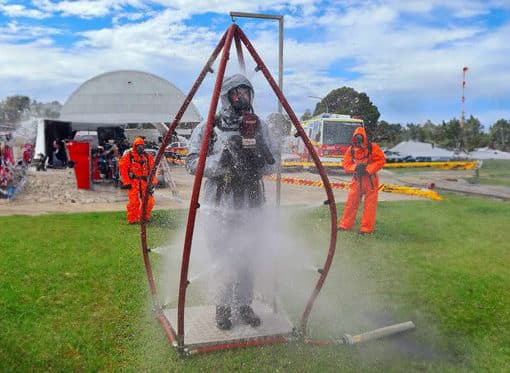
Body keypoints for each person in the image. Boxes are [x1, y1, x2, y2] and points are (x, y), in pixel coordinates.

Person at [186, 74, 276, 330]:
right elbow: (191, 163)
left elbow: (275, 162)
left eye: (246, 92)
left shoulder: (261, 127)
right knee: (222, 259)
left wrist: (257, 154)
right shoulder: (207, 129)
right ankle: (223, 307)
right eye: (236, 93)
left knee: (248, 257)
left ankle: (244, 305)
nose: (242, 98)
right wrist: (219, 162)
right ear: (225, 96)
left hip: (252, 205)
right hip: (218, 207)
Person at [338, 126, 385, 234]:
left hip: (370, 180)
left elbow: (381, 160)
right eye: (356, 139)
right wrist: (355, 168)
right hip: (357, 180)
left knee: (369, 206)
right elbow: (345, 164)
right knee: (351, 203)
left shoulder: (373, 147)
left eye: (360, 139)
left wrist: (368, 169)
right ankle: (345, 225)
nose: (358, 141)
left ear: (364, 138)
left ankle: (366, 229)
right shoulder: (351, 150)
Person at [119, 137, 157, 224]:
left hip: (145, 182)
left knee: (149, 201)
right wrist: (127, 182)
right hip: (133, 182)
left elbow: (153, 171)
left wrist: (153, 183)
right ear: (134, 146)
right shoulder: (128, 156)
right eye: (138, 146)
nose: (140, 148)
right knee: (133, 202)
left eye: (141, 146)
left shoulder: (148, 157)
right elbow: (123, 169)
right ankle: (132, 220)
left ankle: (144, 217)